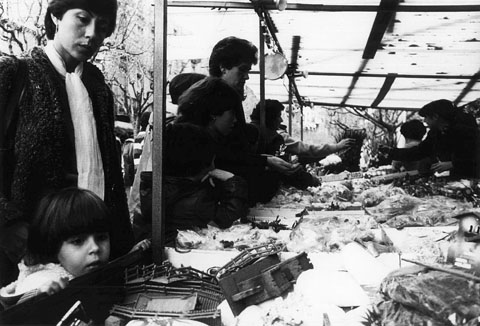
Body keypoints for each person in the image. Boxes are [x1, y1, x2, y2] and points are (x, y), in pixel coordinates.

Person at [0, 0, 134, 287]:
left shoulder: (97, 87)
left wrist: (121, 243)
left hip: (88, 249)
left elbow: (109, 172)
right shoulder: (14, 75)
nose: (91, 34)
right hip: (24, 253)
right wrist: (9, 226)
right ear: (56, 16)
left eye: (103, 27)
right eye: (82, 19)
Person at [0, 188, 150, 307]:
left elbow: (110, 270)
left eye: (101, 237)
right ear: (54, 247)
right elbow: (17, 313)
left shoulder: (85, 268)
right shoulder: (44, 281)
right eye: (78, 241)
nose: (95, 248)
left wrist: (132, 255)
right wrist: (39, 298)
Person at [207, 36, 301, 204]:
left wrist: (265, 160)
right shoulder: (211, 98)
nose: (246, 77)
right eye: (242, 70)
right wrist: (264, 160)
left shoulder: (231, 98)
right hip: (221, 195)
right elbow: (224, 154)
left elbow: (237, 151)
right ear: (223, 68)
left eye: (248, 71)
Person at [133, 123, 249, 244]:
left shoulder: (154, 188)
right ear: (202, 163)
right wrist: (233, 180)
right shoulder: (197, 199)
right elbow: (230, 220)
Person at [249, 99, 356, 189]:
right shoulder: (252, 134)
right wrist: (336, 147)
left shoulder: (274, 137)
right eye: (278, 116)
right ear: (269, 118)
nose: (281, 120)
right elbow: (307, 149)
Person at [381, 99, 479, 178]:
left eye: (426, 117)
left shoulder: (466, 130)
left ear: (435, 117)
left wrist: (453, 164)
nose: (424, 121)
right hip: (456, 179)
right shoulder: (435, 133)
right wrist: (391, 152)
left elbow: (476, 157)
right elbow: (420, 151)